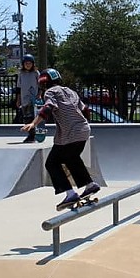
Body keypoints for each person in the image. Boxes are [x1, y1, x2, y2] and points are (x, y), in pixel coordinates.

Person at [21, 68, 101, 210]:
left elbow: (48, 107)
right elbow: (85, 109)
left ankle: (70, 193)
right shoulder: (71, 91)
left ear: (44, 83)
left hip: (70, 133)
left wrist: (33, 123)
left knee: (52, 163)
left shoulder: (50, 92)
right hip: (84, 129)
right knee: (72, 158)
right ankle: (90, 185)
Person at [16, 55, 41, 143]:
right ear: (23, 64)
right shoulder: (21, 73)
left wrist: (39, 94)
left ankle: (32, 135)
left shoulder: (36, 73)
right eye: (26, 63)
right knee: (26, 117)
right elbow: (18, 88)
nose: (28, 65)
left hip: (33, 98)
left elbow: (40, 85)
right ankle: (30, 134)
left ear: (33, 64)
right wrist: (18, 100)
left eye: (29, 63)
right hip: (24, 98)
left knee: (32, 116)